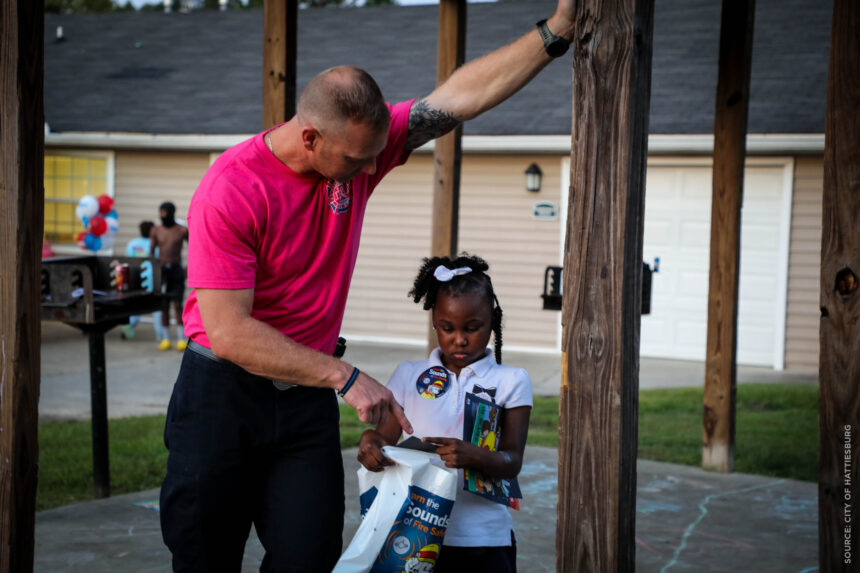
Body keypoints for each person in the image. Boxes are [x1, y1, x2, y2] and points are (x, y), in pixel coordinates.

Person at [160, 5, 574, 571]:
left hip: (301, 403)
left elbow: (456, 98)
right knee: (205, 556)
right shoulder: (231, 189)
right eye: (357, 161)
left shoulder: (358, 154)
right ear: (310, 137)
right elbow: (230, 333)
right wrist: (346, 377)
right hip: (222, 396)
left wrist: (556, 32)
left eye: (375, 156)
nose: (369, 170)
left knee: (310, 556)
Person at [357, 255, 532, 573]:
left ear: (492, 320)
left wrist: (475, 456)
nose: (460, 339)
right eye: (447, 328)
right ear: (434, 321)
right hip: (414, 533)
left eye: (473, 327)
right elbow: (383, 438)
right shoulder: (409, 375)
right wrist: (370, 442)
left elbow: (512, 461)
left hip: (485, 539)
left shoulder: (511, 381)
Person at [149, 202, 188, 351]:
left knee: (178, 305)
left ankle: (181, 339)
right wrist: (154, 269)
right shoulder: (156, 231)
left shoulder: (182, 231)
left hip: (176, 270)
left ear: (171, 212)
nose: (161, 215)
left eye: (164, 212)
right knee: (163, 306)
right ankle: (166, 339)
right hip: (163, 271)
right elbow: (151, 253)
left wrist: (189, 267)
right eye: (160, 212)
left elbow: (194, 248)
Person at [120, 221, 164, 341]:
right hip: (152, 279)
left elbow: (127, 260)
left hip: (135, 277)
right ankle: (160, 335)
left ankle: (128, 326)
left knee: (137, 305)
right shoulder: (155, 244)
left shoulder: (132, 244)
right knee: (157, 307)